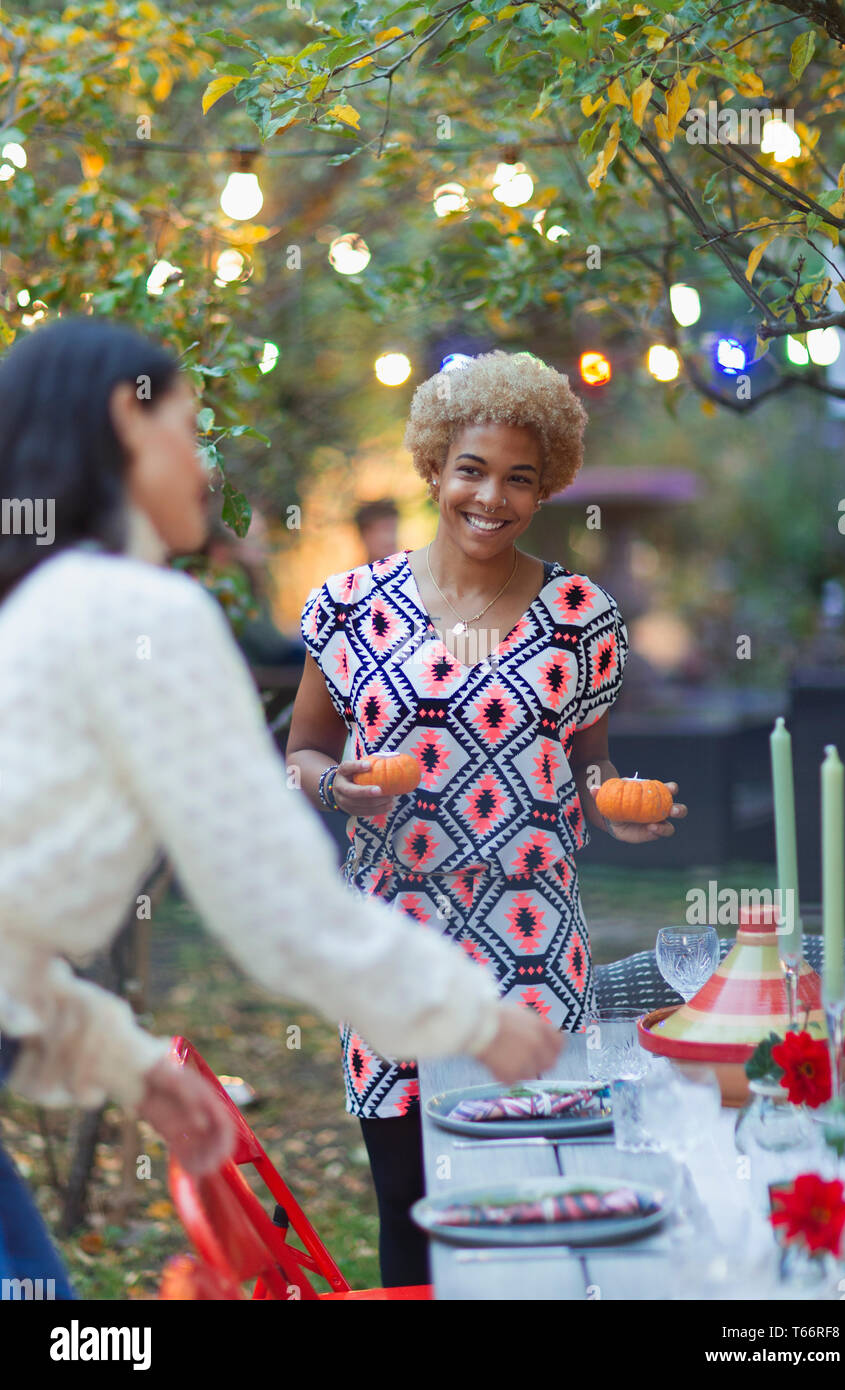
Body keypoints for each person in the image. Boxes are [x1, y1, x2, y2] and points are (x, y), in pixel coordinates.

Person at [0, 319, 561, 1296]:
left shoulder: (53, 605)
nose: (204, 465)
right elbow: (282, 906)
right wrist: (475, 1019)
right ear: (122, 424)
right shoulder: (134, 614)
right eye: (186, 424)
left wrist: (138, 1067)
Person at [287, 349, 688, 1286]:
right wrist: (336, 787)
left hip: (534, 939)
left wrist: (618, 808)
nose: (491, 498)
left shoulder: (579, 615)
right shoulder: (348, 609)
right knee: (409, 1204)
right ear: (433, 467)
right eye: (471, 469)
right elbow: (301, 752)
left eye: (520, 478)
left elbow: (589, 765)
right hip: (394, 933)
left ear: (546, 488)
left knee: (540, 1191)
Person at [354, 498, 400, 565]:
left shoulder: (413, 570)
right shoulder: (357, 574)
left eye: (394, 529)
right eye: (385, 529)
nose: (392, 537)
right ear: (365, 535)